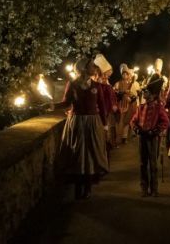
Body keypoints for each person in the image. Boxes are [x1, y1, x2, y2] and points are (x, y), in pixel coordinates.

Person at [56, 58, 110, 199]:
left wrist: (104, 125)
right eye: (92, 66)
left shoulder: (97, 86)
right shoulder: (73, 85)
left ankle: (87, 185)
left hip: (92, 122)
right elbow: (66, 102)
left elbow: (102, 107)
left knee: (91, 153)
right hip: (77, 122)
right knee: (78, 153)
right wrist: (52, 106)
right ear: (84, 69)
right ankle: (78, 186)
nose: (95, 68)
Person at [130, 81, 170, 197]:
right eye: (144, 91)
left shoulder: (158, 108)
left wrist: (155, 131)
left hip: (153, 139)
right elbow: (133, 121)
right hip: (142, 138)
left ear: (153, 95)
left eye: (146, 91)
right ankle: (144, 187)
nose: (144, 93)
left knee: (153, 164)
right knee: (143, 163)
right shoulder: (141, 107)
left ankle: (154, 188)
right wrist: (137, 129)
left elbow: (166, 122)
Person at [94, 54, 118, 150]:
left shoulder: (107, 85)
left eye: (107, 76)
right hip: (99, 112)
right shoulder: (97, 86)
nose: (106, 77)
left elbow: (112, 97)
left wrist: (114, 105)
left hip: (107, 112)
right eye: (104, 75)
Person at [113, 64, 141, 145]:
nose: (125, 75)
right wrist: (123, 93)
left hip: (129, 105)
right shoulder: (118, 83)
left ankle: (124, 137)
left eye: (126, 73)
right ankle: (118, 138)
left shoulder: (131, 83)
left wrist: (131, 97)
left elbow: (134, 95)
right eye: (123, 74)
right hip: (121, 105)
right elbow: (115, 93)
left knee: (127, 121)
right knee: (120, 121)